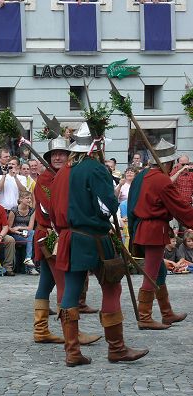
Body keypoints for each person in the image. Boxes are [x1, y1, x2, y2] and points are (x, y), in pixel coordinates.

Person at [50, 122, 148, 366]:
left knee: (71, 291)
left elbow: (53, 211)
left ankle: (72, 352)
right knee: (112, 288)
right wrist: (111, 200)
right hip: (95, 239)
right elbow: (106, 208)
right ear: (96, 146)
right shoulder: (95, 169)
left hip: (70, 238)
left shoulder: (62, 172)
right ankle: (116, 348)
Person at [127, 139, 193, 330]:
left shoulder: (142, 176)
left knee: (160, 270)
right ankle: (145, 317)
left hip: (142, 227)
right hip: (154, 229)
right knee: (152, 272)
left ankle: (166, 313)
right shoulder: (162, 180)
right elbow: (180, 208)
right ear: (167, 163)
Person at [8, 190, 37, 274]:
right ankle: (29, 265)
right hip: (15, 234)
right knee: (31, 237)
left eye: (30, 198)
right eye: (27, 198)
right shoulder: (14, 210)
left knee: (31, 234)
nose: (29, 200)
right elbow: (9, 228)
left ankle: (28, 260)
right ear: (21, 199)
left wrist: (19, 227)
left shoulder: (32, 211)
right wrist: (18, 232)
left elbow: (30, 227)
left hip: (27, 234)